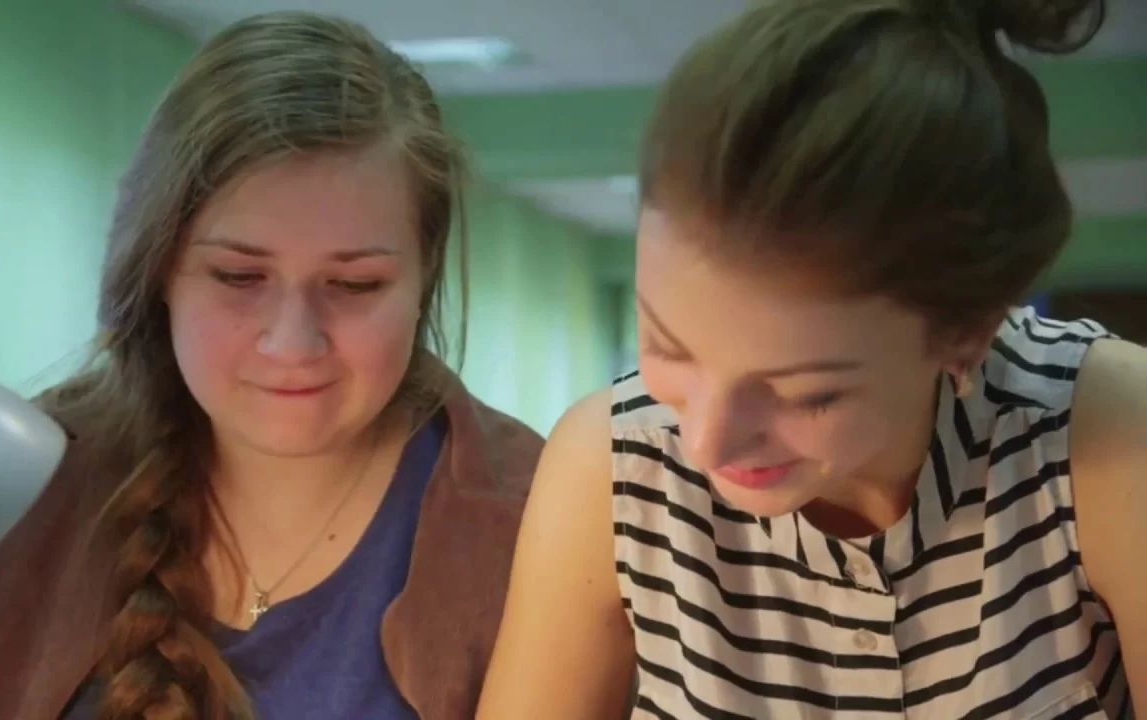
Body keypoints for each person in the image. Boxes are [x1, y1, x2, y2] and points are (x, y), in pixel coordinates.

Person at [0, 11, 543, 720]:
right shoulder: (11, 491)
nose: (292, 344)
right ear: (159, 268)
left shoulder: (531, 525)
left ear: (423, 277)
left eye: (354, 285)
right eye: (238, 277)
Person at [477, 0, 1145, 717]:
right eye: (669, 347)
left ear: (966, 331)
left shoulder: (1102, 432)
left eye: (806, 394)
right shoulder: (612, 466)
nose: (705, 442)